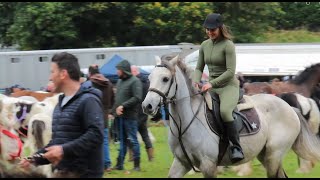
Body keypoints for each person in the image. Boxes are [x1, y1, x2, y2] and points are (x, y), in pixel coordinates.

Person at [19, 52, 105, 178]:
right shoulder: (60, 105)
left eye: (52, 72)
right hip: (64, 173)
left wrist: (63, 150)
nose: (50, 77)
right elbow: (57, 142)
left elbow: (96, 134)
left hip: (85, 173)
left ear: (63, 74)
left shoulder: (88, 101)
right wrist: (35, 159)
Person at [192, 13, 244, 163]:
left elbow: (230, 72)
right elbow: (199, 67)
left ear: (220, 28)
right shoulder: (204, 45)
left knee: (225, 112)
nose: (209, 32)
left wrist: (211, 84)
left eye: (212, 30)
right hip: (211, 85)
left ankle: (236, 147)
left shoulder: (228, 45)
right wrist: (196, 80)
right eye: (207, 30)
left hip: (228, 85)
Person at [112, 60, 142, 171]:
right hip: (120, 117)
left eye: (118, 69)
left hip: (130, 117)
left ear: (124, 70)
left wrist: (123, 106)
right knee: (122, 141)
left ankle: (137, 166)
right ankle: (119, 165)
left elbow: (137, 97)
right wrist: (113, 112)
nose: (116, 72)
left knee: (133, 141)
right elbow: (117, 99)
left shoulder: (135, 81)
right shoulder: (119, 82)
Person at [87, 64, 115, 172]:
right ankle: (107, 164)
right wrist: (108, 110)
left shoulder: (89, 84)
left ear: (90, 73)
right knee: (104, 142)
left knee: (91, 141)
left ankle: (94, 164)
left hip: (91, 116)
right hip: (104, 117)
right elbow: (113, 100)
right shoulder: (109, 83)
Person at [130, 65, 154, 162]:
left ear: (135, 71)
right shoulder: (146, 82)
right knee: (145, 135)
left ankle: (132, 157)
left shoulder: (136, 82)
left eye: (131, 71)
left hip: (135, 112)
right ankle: (151, 157)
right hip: (144, 112)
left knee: (131, 135)